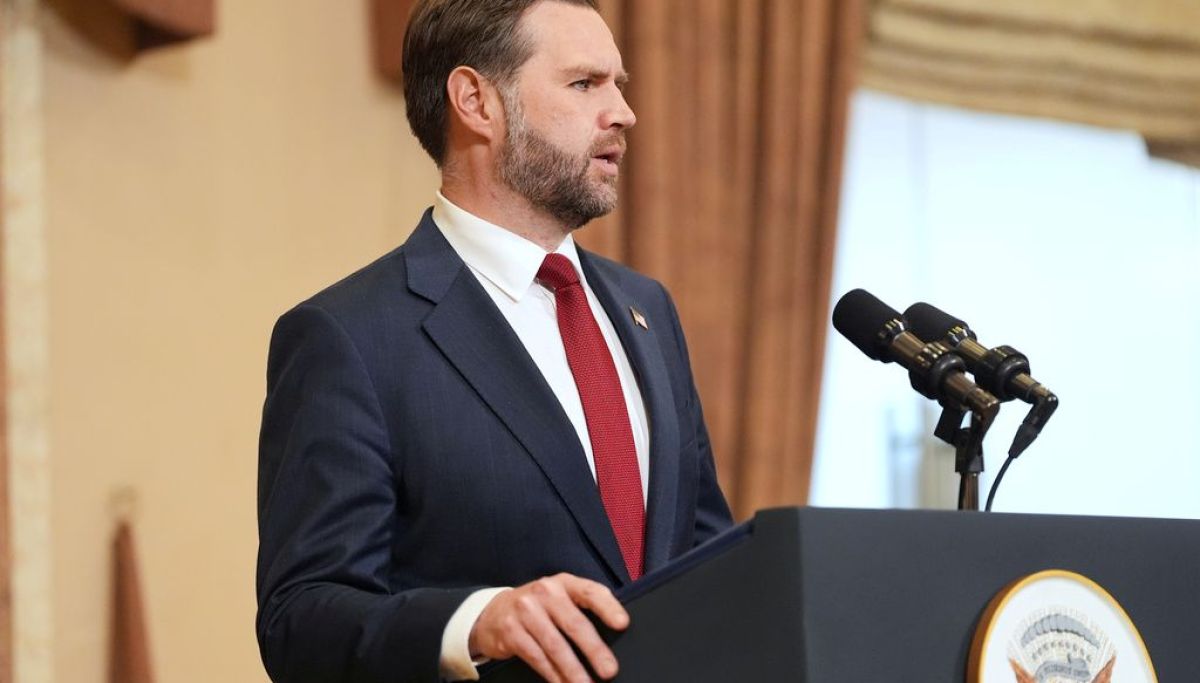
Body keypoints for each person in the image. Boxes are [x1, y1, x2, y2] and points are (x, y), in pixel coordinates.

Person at [255, 1, 733, 681]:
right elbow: (299, 619)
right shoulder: (349, 337)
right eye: (585, 83)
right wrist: (475, 622)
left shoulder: (646, 309)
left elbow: (706, 554)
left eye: (619, 85)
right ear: (476, 101)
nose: (624, 112)